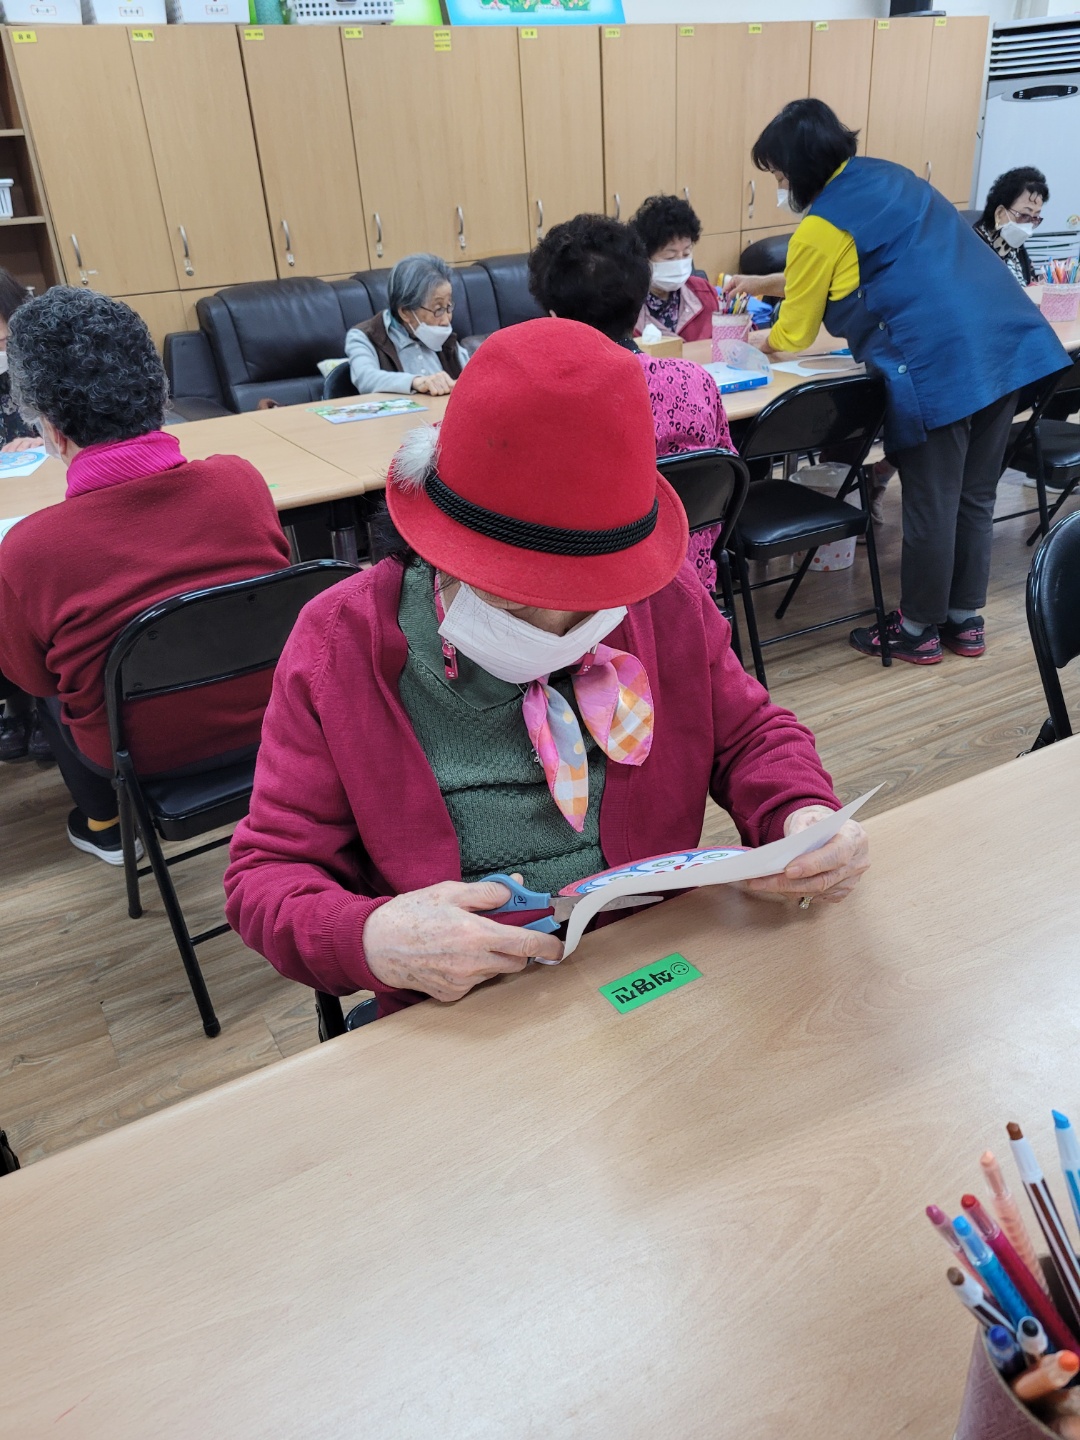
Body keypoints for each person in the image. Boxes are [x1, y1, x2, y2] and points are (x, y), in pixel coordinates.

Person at [224, 319, 869, 1017]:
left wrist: (801, 813)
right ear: (444, 547)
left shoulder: (662, 598)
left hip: (653, 964)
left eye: (592, 597)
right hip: (466, 1004)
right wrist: (372, 937)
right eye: (516, 591)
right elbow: (268, 874)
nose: (557, 626)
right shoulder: (340, 643)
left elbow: (750, 735)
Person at [746, 99, 1067, 665]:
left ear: (798, 167)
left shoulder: (821, 225)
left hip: (938, 360)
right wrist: (762, 283)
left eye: (778, 174)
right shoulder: (892, 177)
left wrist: (753, 344)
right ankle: (964, 621)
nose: (779, 186)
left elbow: (794, 332)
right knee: (975, 494)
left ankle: (917, 629)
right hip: (1002, 342)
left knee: (931, 501)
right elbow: (851, 267)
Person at [0, 288, 292, 863]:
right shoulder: (240, 482)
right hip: (278, 716)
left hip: (139, 751)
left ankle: (107, 826)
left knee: (52, 685)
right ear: (158, 395)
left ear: (52, 430)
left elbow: (31, 678)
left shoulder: (29, 549)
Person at [528, 213, 733, 590]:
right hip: (690, 579)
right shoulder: (695, 381)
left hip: (599, 595)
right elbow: (725, 476)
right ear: (639, 302)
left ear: (555, 317)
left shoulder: (550, 404)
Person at [0, 268, 51, 762]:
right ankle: (16, 704)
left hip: (39, 498)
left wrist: (41, 438)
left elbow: (67, 422)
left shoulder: (36, 362)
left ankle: (41, 705)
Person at [345, 253, 469, 398]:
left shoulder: (444, 337)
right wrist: (416, 382)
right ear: (405, 312)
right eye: (438, 309)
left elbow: (472, 376)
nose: (446, 320)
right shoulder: (365, 336)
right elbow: (366, 378)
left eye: (448, 306)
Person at [628, 194, 720, 341]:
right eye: (670, 257)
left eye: (686, 253)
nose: (680, 264)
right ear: (645, 257)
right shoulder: (626, 304)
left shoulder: (704, 292)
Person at [975, 167, 1048, 286]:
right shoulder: (976, 249)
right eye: (1024, 215)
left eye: (1035, 218)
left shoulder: (1015, 247)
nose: (1028, 226)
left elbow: (1031, 282)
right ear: (1000, 214)